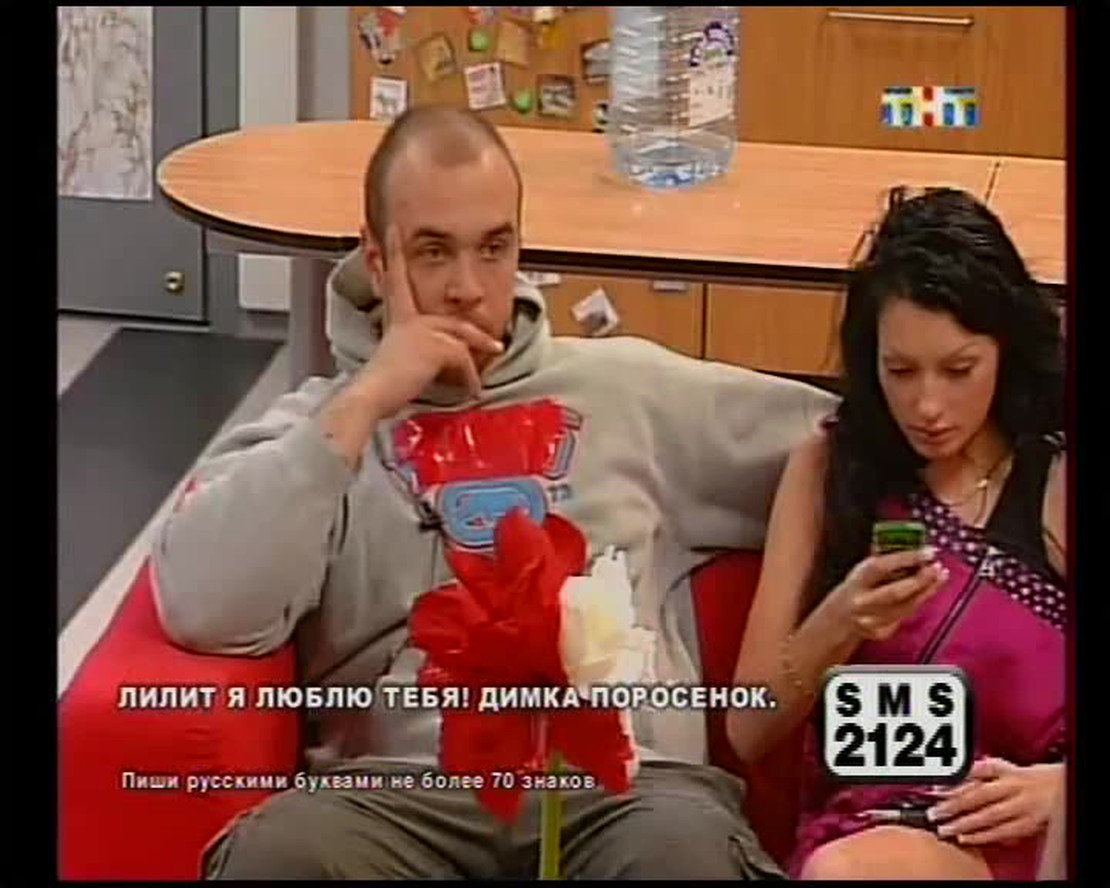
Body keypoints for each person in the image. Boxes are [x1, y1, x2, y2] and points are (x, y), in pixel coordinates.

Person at [151, 105, 838, 880]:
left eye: (493, 248)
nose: (467, 288)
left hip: (622, 793)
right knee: (278, 855)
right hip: (400, 798)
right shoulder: (321, 427)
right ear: (377, 261)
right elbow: (203, 606)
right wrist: (366, 400)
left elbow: (850, 443)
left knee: (685, 853)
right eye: (433, 252)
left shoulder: (629, 390)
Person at [726, 186, 1067, 880]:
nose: (928, 406)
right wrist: (840, 620)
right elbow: (748, 728)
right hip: (871, 831)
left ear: (1004, 349)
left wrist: (1062, 788)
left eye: (959, 370)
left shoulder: (1055, 480)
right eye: (900, 372)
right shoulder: (828, 470)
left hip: (1031, 827)